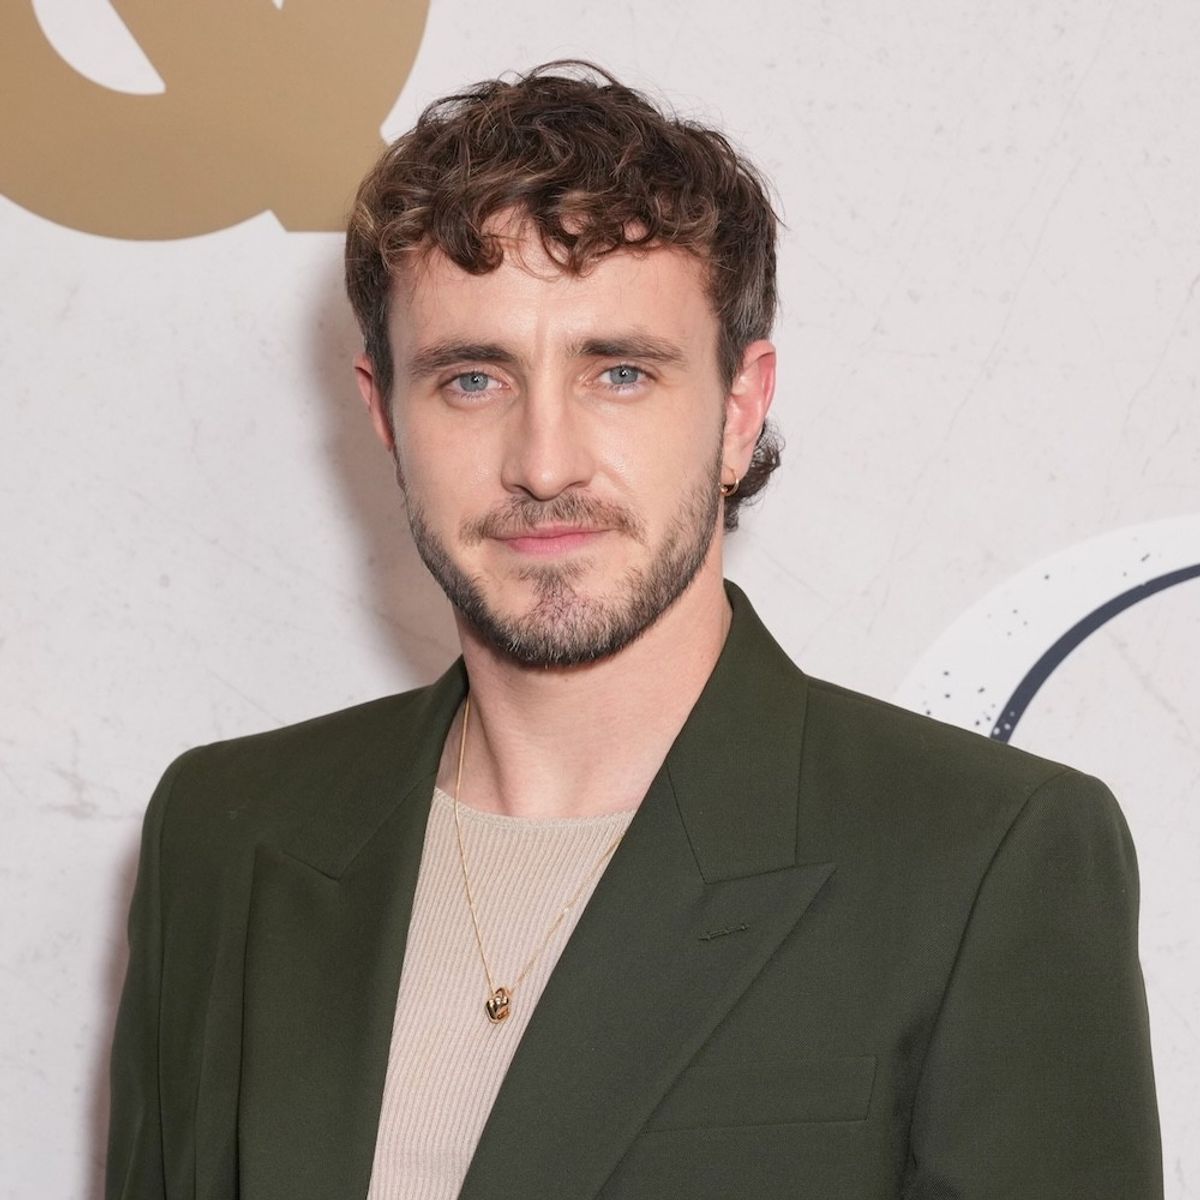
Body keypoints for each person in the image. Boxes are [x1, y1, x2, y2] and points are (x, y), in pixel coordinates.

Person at [106, 61, 1162, 1200]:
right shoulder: (223, 835)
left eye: (618, 372)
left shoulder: (983, 860)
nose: (543, 463)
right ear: (385, 413)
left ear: (739, 410)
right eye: (473, 380)